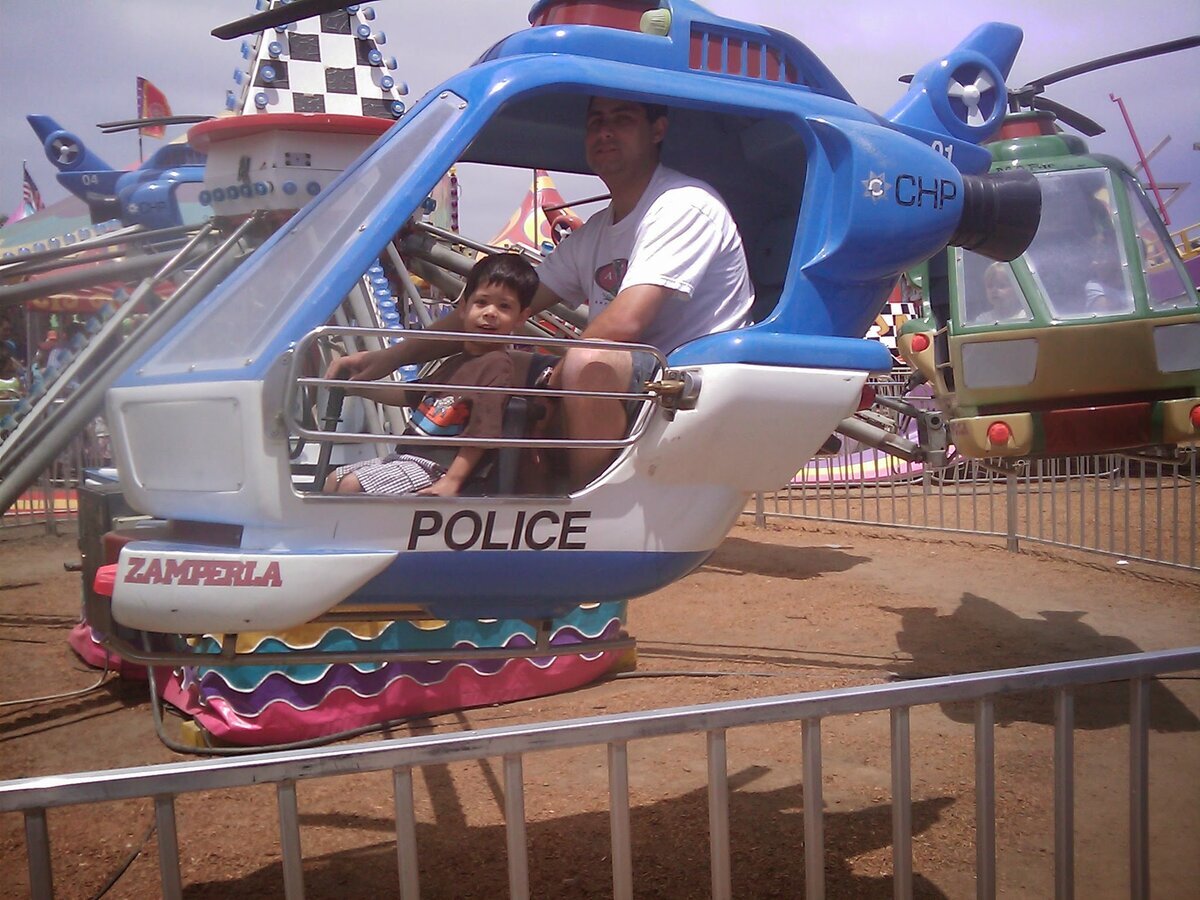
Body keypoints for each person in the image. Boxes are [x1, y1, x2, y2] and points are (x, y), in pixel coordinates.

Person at [328, 95, 754, 489]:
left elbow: (626, 322)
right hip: (634, 380)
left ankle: (587, 504)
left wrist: (556, 375)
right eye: (596, 122)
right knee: (485, 353)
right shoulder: (599, 231)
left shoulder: (682, 205)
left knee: (587, 360)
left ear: (657, 130)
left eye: (621, 120)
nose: (605, 132)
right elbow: (501, 305)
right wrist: (386, 358)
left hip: (683, 382)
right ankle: (441, 472)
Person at [324, 252, 537, 497]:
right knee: (335, 479)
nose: (490, 312)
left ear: (521, 317)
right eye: (481, 302)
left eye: (504, 306)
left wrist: (452, 481)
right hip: (408, 458)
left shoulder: (496, 365)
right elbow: (410, 395)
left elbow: (482, 432)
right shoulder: (459, 363)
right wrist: (355, 386)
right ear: (464, 308)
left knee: (350, 485)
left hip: (436, 467)